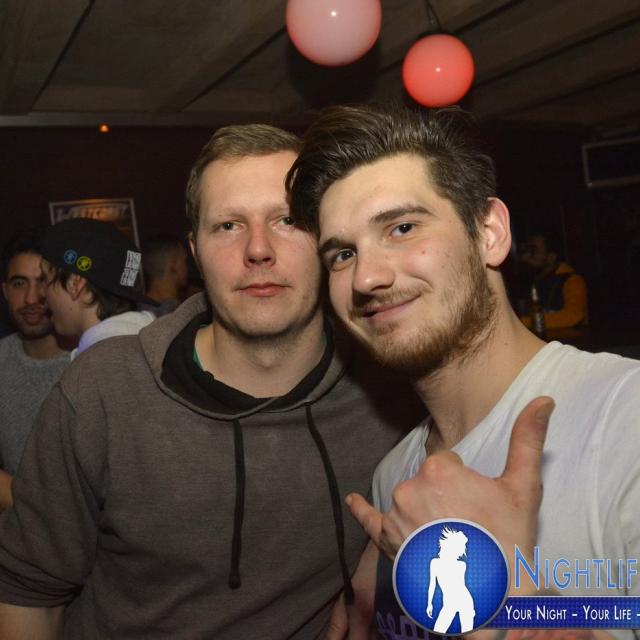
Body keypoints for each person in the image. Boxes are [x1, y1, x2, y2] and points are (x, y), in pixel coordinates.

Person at [0, 124, 425, 639]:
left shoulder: (390, 388)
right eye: (227, 225)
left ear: (327, 238)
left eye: (288, 220)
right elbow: (29, 596)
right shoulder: (103, 391)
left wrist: (383, 567)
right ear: (195, 252)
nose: (258, 249)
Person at [287, 104, 640, 639]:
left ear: (489, 233)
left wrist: (506, 594)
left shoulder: (625, 419)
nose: (366, 278)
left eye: (402, 227)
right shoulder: (395, 480)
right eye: (342, 255)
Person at [0, 230, 69, 510]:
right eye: (19, 284)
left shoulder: (90, 361)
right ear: (5, 291)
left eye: (42, 281)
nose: (31, 298)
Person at [39, 217, 156, 359]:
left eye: (45, 278)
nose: (41, 292)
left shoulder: (100, 364)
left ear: (75, 284)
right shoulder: (150, 343)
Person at [519, 231, 588, 329]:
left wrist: (524, 323)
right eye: (526, 250)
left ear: (551, 257)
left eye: (533, 251)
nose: (525, 257)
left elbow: (574, 316)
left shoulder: (572, 281)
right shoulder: (531, 281)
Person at [139, 233, 189, 315]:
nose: (186, 267)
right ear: (173, 267)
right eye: (184, 261)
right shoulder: (180, 314)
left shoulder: (138, 312)